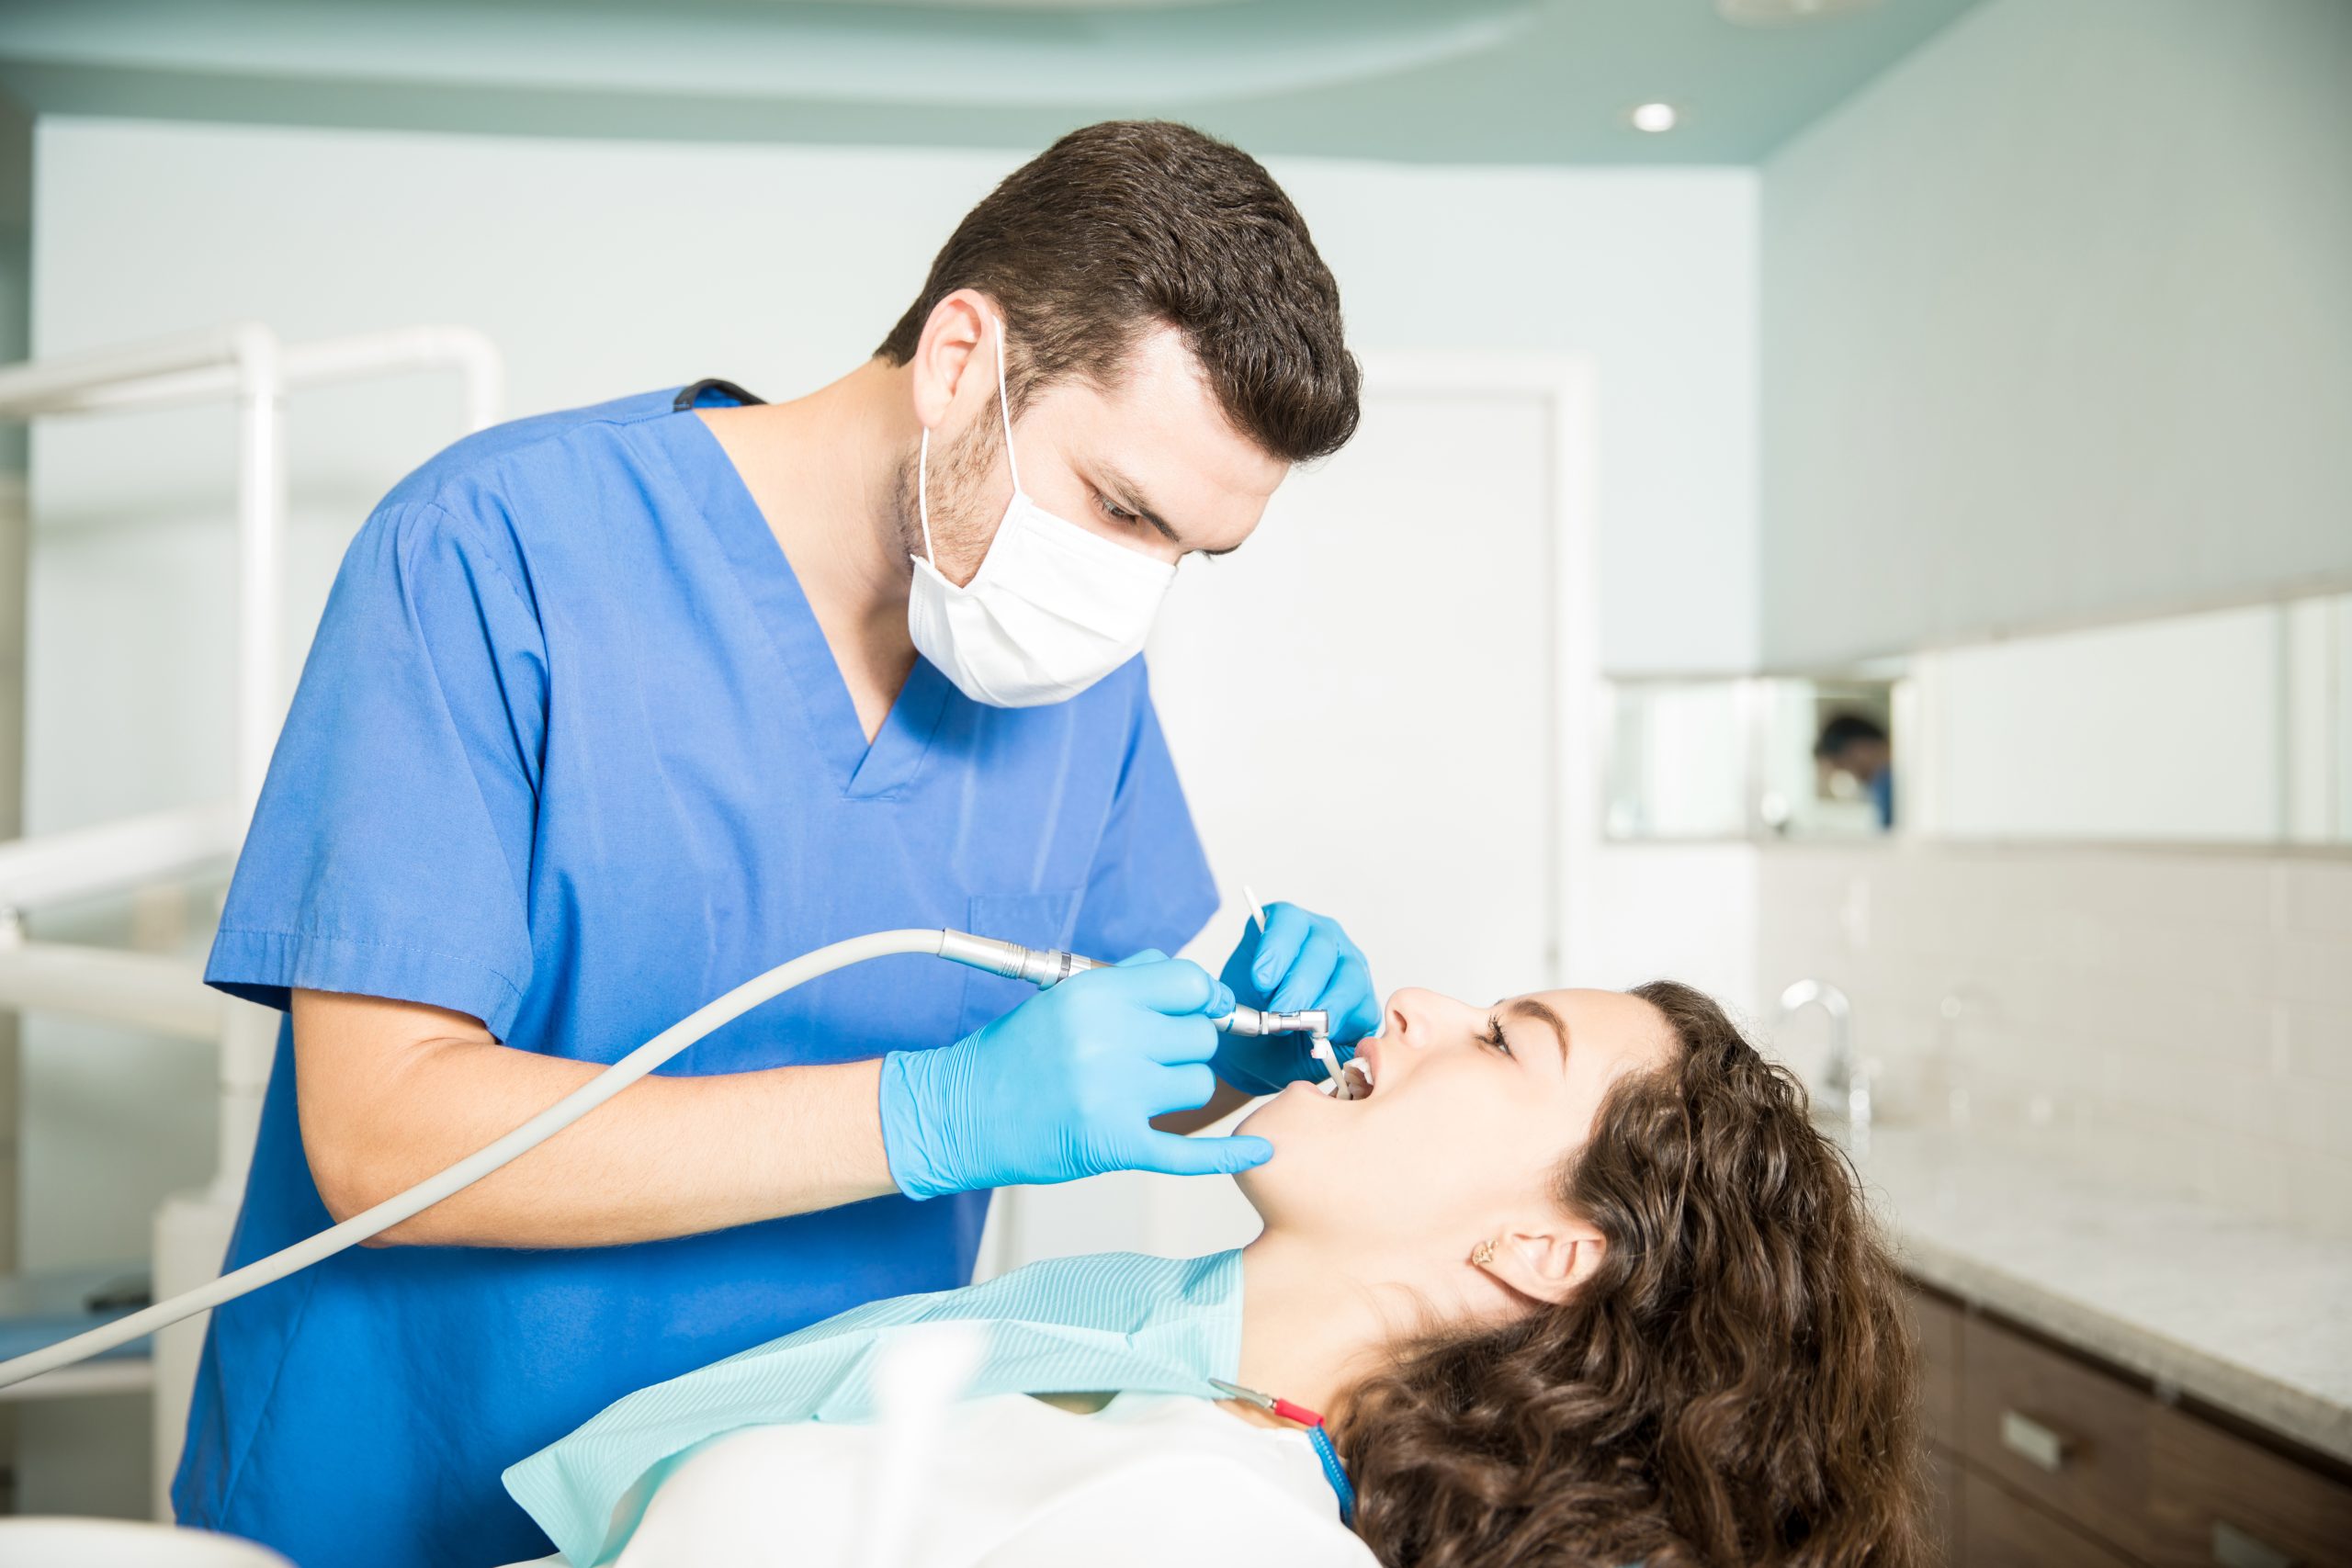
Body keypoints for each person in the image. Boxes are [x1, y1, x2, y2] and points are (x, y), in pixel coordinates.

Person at [177, 120, 1382, 1567]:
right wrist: (926, 1114)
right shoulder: (495, 546)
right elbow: (378, 1136)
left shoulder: (1075, 686)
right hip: (396, 1490)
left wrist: (1227, 1063)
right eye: (1120, 506)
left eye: (1185, 552)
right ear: (958, 360)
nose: (1129, 595)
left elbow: (1073, 1080)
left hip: (775, 1518)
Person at [503, 977, 1928, 1568]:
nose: (1415, 1001)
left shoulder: (1221, 1527)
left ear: (1544, 1249)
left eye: (1502, 1038)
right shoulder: (1160, 1355)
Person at [1814, 711, 1895, 829]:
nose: (1854, 777)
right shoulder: (1880, 785)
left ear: (1859, 749)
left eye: (1845, 767)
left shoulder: (1886, 783)